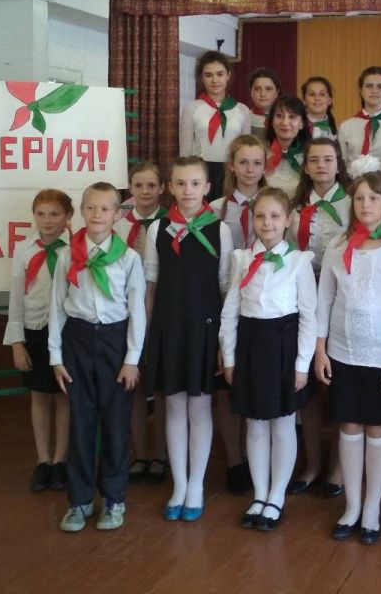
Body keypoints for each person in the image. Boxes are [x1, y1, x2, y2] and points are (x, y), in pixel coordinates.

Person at [315, 172, 381, 544]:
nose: (365, 205)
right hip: (342, 352)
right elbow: (324, 301)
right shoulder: (338, 246)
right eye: (359, 198)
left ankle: (372, 508)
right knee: (349, 426)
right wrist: (320, 350)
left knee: (377, 428)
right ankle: (352, 506)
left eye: (373, 198)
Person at [48, 182, 147, 533]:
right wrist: (56, 357)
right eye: (90, 207)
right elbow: (57, 306)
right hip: (77, 341)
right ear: (81, 211)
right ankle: (79, 500)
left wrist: (132, 359)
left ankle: (114, 498)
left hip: (115, 343)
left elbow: (137, 311)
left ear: (117, 214)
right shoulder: (67, 255)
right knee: (81, 422)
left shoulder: (129, 258)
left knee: (116, 425)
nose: (97, 214)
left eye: (105, 208)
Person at [221, 188, 318, 531]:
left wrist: (302, 365)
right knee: (255, 423)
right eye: (260, 216)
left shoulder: (299, 261)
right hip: (250, 345)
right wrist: (229, 356)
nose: (267, 223)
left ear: (287, 220)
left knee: (283, 423)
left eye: (275, 216)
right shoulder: (241, 259)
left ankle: (277, 495)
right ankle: (259, 494)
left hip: (283, 347)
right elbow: (230, 311)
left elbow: (309, 317)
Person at [144, 157, 234, 521]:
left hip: (204, 330)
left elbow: (226, 287)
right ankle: (178, 484)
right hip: (169, 328)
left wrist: (224, 342)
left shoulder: (220, 230)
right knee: (174, 407)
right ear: (170, 187)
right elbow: (151, 286)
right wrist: (148, 336)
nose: (187, 190)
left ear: (207, 187)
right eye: (180, 183)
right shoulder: (157, 229)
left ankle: (196, 484)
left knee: (199, 407)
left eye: (195, 183)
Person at [287, 137, 351, 497]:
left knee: (338, 384)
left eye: (328, 159)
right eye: (314, 160)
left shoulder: (352, 203)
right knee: (309, 385)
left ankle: (339, 468)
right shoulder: (295, 206)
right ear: (306, 166)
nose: (321, 166)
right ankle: (311, 463)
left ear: (338, 163)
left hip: (340, 297)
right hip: (301, 297)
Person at [210, 135, 268, 493]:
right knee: (226, 387)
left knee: (255, 385)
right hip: (225, 305)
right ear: (231, 165)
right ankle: (234, 459)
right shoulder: (215, 209)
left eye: (257, 162)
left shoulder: (276, 204)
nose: (250, 169)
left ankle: (255, 457)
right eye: (243, 162)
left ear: (265, 166)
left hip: (263, 309)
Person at [5, 189, 73, 493]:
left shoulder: (75, 247)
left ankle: (61, 460)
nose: (47, 220)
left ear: (68, 216)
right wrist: (16, 342)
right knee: (39, 395)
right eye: (40, 214)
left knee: (63, 395)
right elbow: (16, 297)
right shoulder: (23, 249)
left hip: (67, 331)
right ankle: (43, 459)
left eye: (54, 214)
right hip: (34, 329)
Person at [114, 161, 169, 485]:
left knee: (158, 386)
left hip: (161, 312)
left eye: (151, 185)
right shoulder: (119, 226)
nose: (145, 191)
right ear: (130, 189)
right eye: (138, 186)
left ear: (162, 188)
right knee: (133, 384)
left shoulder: (171, 224)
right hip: (127, 312)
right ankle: (140, 453)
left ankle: (160, 452)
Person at [179, 50, 252, 200]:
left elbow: (247, 150)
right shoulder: (191, 108)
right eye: (208, 75)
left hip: (232, 172)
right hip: (200, 171)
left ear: (228, 75)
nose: (215, 80)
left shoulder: (242, 110)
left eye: (220, 74)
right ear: (201, 77)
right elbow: (185, 152)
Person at [338, 66, 381, 195]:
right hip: (352, 190)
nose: (374, 91)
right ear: (361, 90)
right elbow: (343, 166)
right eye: (369, 86)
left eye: (380, 87)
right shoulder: (345, 126)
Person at [264, 95, 309, 199]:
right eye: (279, 116)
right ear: (271, 121)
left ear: (302, 123)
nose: (285, 122)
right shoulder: (260, 153)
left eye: (292, 117)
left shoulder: (310, 155)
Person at [248, 67, 281, 140]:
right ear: (251, 92)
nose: (263, 94)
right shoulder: (244, 118)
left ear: (277, 93)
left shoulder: (285, 119)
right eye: (257, 89)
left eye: (268, 89)